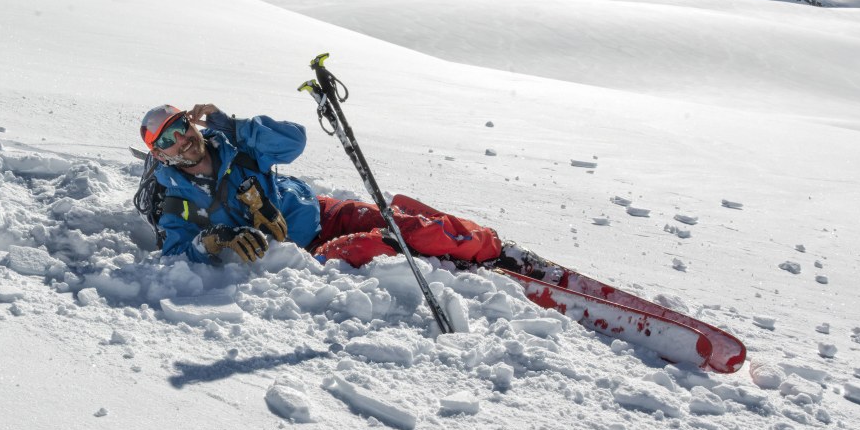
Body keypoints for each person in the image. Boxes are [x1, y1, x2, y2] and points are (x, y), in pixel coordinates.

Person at [133, 103, 563, 283]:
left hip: (322, 211)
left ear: (192, 123)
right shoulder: (178, 199)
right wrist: (213, 239)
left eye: (181, 126)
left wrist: (231, 124)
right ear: (160, 153)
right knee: (376, 243)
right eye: (166, 138)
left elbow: (293, 141)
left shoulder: (237, 146)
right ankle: (451, 256)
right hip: (306, 253)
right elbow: (174, 252)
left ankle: (491, 248)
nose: (181, 139)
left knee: (396, 219)